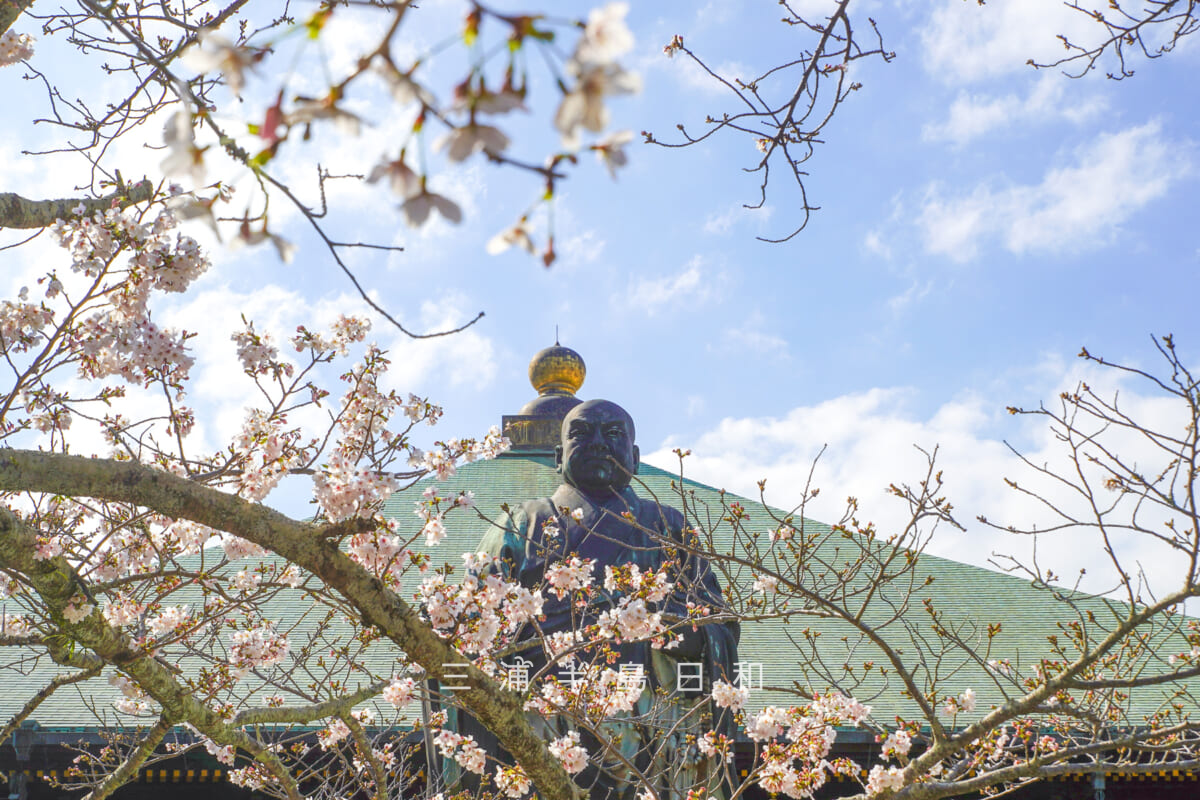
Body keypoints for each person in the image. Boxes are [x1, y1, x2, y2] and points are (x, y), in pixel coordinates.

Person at [445, 399, 740, 800]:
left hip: (650, 720)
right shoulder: (523, 523)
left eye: (613, 434)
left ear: (634, 458)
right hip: (546, 717)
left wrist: (666, 627)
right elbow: (469, 628)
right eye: (582, 433)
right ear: (558, 455)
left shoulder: (668, 527)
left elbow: (717, 625)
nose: (599, 442)